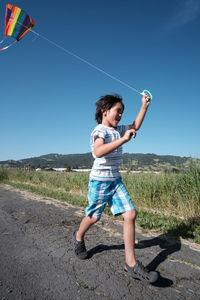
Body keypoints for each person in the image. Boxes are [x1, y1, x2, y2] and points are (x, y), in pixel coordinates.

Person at [73, 93, 158, 283]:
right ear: (104, 111)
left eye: (122, 112)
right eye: (117, 111)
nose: (120, 116)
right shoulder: (99, 130)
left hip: (115, 180)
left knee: (130, 214)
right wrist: (123, 140)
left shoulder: (118, 129)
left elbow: (135, 126)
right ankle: (78, 236)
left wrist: (144, 106)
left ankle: (131, 264)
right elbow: (98, 151)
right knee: (93, 217)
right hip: (100, 181)